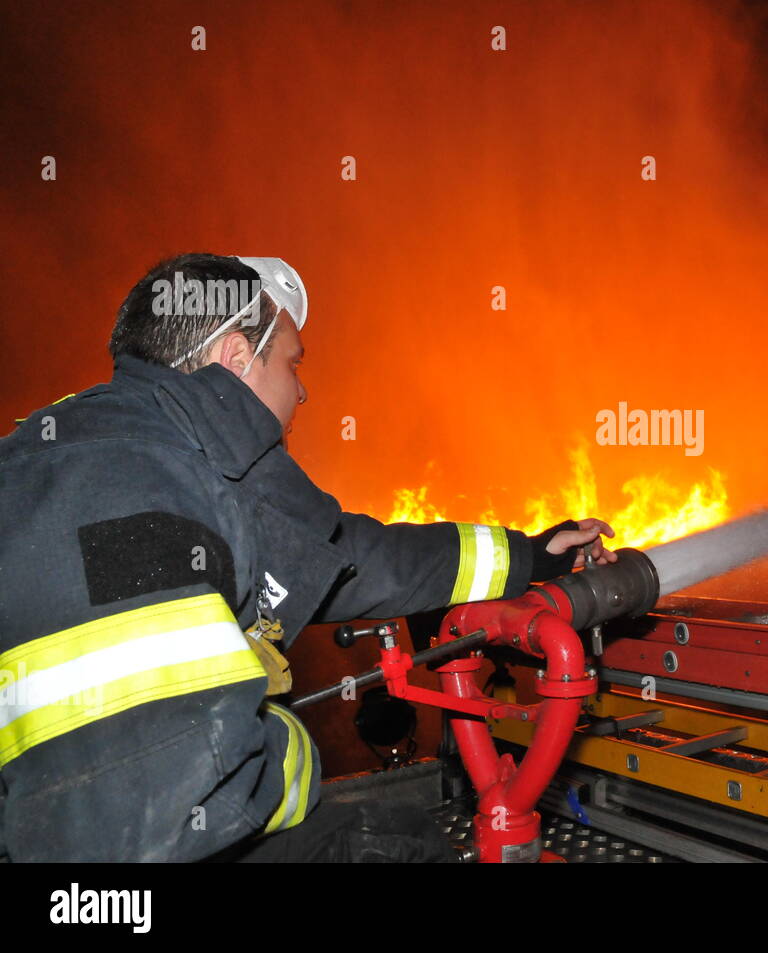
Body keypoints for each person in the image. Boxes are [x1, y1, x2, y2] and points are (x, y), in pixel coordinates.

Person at [0, 253, 615, 861]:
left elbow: (353, 559)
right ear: (237, 360)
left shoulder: (68, 450)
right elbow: (172, 799)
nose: (302, 391)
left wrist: (531, 555)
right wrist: (293, 741)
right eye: (293, 363)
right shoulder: (171, 478)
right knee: (401, 846)